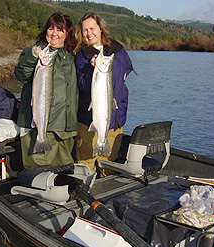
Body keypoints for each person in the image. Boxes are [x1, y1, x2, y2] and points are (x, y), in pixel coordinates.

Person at [14, 12, 78, 169]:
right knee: (39, 175)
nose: (54, 33)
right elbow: (20, 75)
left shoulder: (72, 56)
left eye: (60, 30)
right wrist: (32, 56)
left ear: (67, 33)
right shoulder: (36, 52)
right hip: (40, 128)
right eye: (51, 28)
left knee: (64, 176)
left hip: (66, 129)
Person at [74, 12, 133, 175]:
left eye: (92, 28)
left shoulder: (118, 49)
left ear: (101, 29)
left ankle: (105, 197)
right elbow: (83, 85)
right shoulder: (82, 55)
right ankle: (85, 194)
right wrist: (93, 71)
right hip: (88, 121)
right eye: (84, 30)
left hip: (115, 121)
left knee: (109, 165)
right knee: (85, 163)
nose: (89, 33)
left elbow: (127, 68)